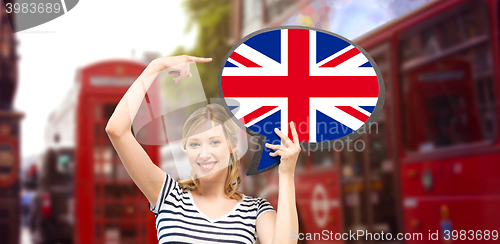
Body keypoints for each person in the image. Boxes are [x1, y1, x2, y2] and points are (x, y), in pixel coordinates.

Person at [105, 55, 300, 243]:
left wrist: (286, 173)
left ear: (232, 146)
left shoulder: (254, 211)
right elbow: (117, 130)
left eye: (214, 142)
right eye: (194, 144)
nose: (204, 154)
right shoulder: (169, 197)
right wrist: (155, 67)